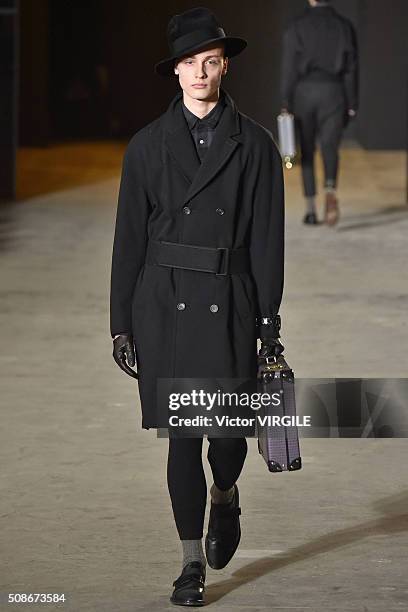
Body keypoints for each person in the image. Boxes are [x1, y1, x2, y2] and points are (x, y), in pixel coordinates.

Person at [110, 7, 285, 606]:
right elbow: (128, 238)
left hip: (231, 300)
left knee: (227, 437)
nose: (200, 72)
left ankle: (225, 495)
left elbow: (267, 239)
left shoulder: (256, 145)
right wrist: (120, 324)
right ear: (176, 72)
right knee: (183, 437)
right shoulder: (146, 147)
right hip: (164, 303)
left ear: (223, 65)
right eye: (190, 62)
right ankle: (189, 564)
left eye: (210, 61)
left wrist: (269, 324)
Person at [280, 0, 359, 225]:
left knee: (306, 148)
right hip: (334, 92)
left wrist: (285, 101)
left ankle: (311, 209)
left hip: (304, 92)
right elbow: (352, 68)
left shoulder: (296, 26)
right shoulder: (344, 26)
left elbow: (288, 67)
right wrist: (352, 102)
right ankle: (331, 191)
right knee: (330, 146)